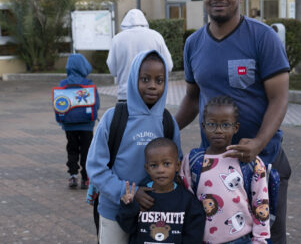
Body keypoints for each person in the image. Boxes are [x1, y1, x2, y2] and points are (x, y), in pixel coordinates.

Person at [175, 0, 291, 243]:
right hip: (216, 167)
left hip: (263, 162)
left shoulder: (264, 37)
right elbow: (192, 99)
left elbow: (279, 99)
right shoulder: (193, 43)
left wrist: (259, 143)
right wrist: (162, 127)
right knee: (220, 236)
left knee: (268, 236)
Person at [86, 50, 182, 243]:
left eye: (159, 80)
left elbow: (176, 165)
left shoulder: (167, 122)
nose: (152, 86)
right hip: (114, 212)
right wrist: (127, 192)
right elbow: (96, 168)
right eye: (145, 79)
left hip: (154, 213)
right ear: (133, 79)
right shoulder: (114, 118)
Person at [180, 96, 271, 244]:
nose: (218, 131)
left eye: (225, 125)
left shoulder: (249, 161)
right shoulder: (192, 161)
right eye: (211, 124)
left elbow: (260, 202)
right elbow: (187, 203)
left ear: (235, 128)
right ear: (203, 126)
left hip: (241, 239)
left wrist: (260, 240)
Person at [116, 137, 205, 243]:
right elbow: (128, 227)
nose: (160, 170)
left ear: (177, 166)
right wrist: (128, 206)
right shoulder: (141, 196)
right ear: (147, 168)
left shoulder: (188, 201)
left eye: (166, 164)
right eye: (154, 165)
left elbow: (194, 235)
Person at [107, 9, 173, 101]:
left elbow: (113, 70)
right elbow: (168, 66)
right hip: (151, 96)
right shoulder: (156, 36)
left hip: (125, 95)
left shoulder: (117, 39)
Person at [57, 53, 100, 189]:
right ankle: (86, 178)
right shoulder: (88, 84)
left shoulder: (63, 84)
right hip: (87, 124)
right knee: (87, 150)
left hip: (69, 124)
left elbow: (59, 103)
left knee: (72, 148)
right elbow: (96, 104)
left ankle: (73, 175)